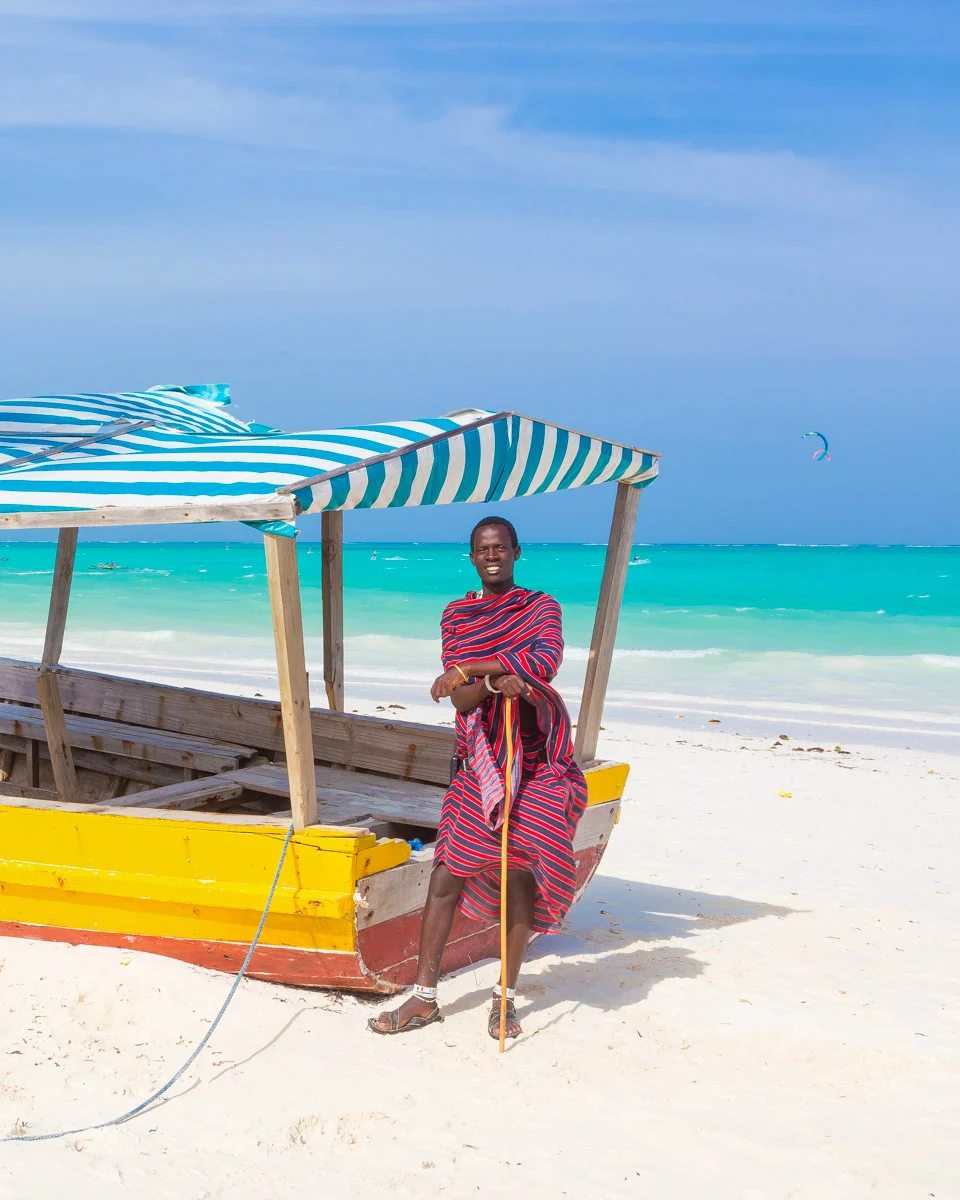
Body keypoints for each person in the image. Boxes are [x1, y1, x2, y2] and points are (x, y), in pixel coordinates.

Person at [369, 515, 587, 1040]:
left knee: (520, 876)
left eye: (500, 547)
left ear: (516, 551)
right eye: (482, 549)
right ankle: (424, 998)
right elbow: (461, 696)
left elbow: (544, 663)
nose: (492, 556)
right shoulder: (458, 614)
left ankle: (505, 998)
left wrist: (472, 671)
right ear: (472, 557)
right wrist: (490, 682)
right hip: (483, 762)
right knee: (446, 875)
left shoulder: (541, 607)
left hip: (536, 764)